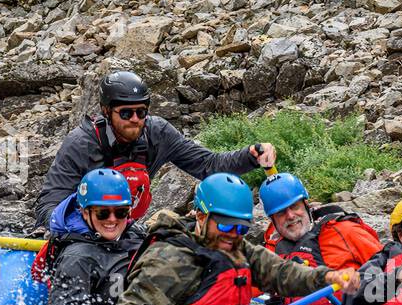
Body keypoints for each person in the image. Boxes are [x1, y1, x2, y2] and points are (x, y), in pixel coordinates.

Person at [113, 173, 360, 305]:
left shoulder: (236, 247)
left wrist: (327, 276)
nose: (232, 235)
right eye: (225, 226)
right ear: (201, 216)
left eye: (241, 228)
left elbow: (282, 273)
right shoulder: (172, 258)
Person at [33, 69, 276, 228]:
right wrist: (82, 229)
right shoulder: (80, 143)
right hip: (85, 227)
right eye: (126, 113)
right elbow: (48, 206)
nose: (135, 120)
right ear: (107, 112)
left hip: (125, 227)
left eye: (141, 112)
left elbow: (208, 166)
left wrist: (250, 156)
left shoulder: (157, 133)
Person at [257, 171, 382, 305]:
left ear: (306, 205)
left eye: (295, 206)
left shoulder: (346, 231)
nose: (290, 216)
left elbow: (388, 269)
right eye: (281, 213)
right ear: (273, 220)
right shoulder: (272, 252)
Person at [41, 169, 143, 305]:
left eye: (120, 212)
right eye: (103, 212)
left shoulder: (136, 237)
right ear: (84, 211)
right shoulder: (78, 258)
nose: (112, 219)